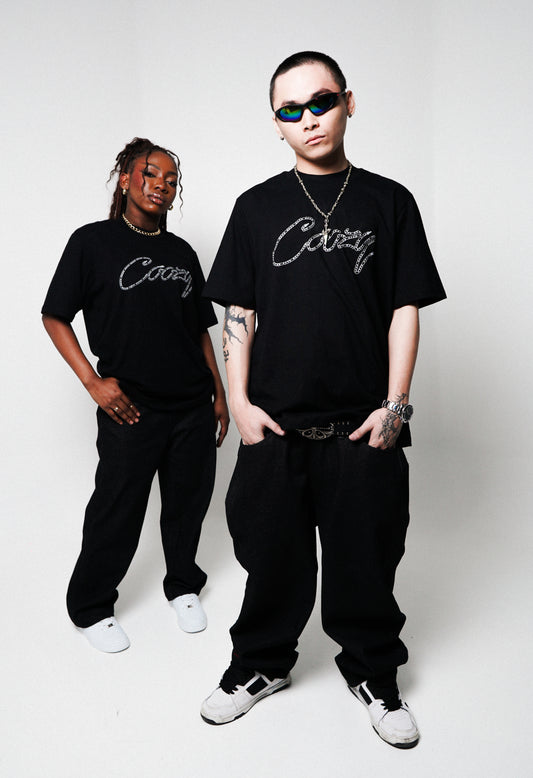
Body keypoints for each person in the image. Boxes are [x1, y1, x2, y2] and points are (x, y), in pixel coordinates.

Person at [200, 53, 445, 748]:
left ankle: (373, 675)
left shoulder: (389, 201)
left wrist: (396, 406)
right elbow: (238, 312)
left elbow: (404, 308)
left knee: (366, 561)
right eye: (289, 110)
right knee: (269, 560)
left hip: (363, 426)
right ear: (275, 124)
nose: (307, 119)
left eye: (321, 102)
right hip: (274, 426)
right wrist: (239, 402)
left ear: (348, 103)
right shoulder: (256, 207)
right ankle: (260, 665)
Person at [42, 138, 229, 653]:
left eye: (171, 179)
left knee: (188, 503)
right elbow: (55, 315)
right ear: (125, 180)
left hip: (191, 405)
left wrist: (218, 394)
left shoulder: (182, 253)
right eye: (151, 174)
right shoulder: (91, 243)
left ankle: (183, 587)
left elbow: (199, 330)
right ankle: (91, 607)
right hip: (131, 409)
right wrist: (93, 382)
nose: (162, 185)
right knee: (117, 508)